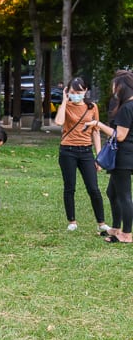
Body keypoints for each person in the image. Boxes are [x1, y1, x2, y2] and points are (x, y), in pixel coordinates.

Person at [54, 77, 110, 234]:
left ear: (85, 91)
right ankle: (72, 221)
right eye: (72, 92)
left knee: (93, 188)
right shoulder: (66, 106)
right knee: (69, 187)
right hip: (67, 151)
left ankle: (101, 223)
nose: (76, 95)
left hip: (86, 151)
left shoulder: (92, 107)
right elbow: (58, 122)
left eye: (79, 92)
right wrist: (65, 101)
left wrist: (99, 157)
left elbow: (96, 131)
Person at [84, 70, 133, 244]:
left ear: (122, 87)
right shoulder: (126, 105)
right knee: (112, 192)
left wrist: (98, 124)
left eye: (115, 85)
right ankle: (116, 228)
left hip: (124, 156)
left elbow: (120, 135)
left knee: (124, 195)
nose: (113, 88)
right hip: (124, 155)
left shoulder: (127, 107)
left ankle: (127, 234)